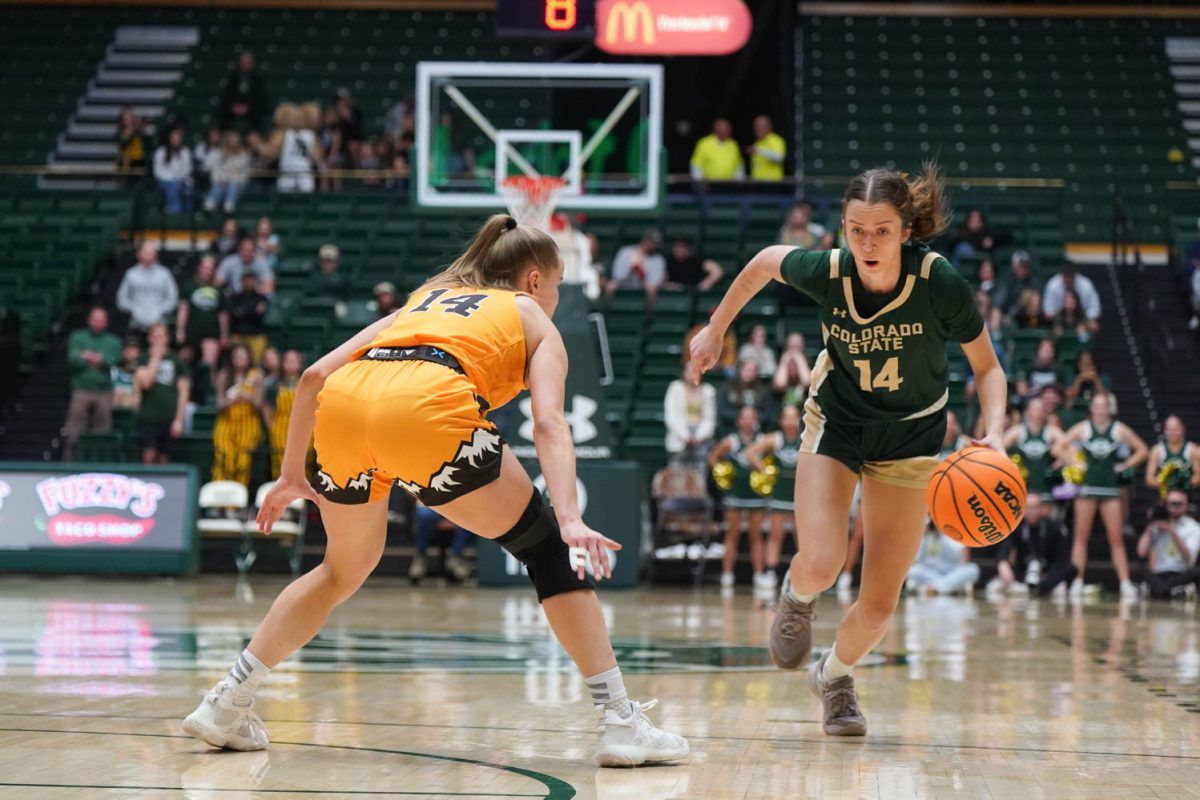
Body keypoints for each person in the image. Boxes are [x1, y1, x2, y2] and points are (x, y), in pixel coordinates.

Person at [183, 214, 688, 767]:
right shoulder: (531, 317)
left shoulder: (427, 298)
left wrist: (289, 476)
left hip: (347, 411)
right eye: (559, 283)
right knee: (546, 553)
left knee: (338, 571)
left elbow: (313, 378)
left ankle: (227, 701)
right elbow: (549, 425)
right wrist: (568, 519)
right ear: (535, 280)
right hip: (428, 410)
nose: (558, 295)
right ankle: (619, 721)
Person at [689, 163, 1007, 736]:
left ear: (906, 231)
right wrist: (716, 329)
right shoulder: (829, 271)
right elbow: (764, 261)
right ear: (842, 228)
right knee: (822, 562)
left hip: (911, 438)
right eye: (856, 229)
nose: (868, 243)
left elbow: (988, 369)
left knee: (881, 605)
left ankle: (833, 678)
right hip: (836, 423)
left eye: (882, 231)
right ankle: (797, 593)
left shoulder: (940, 283)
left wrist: (998, 433)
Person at [1054, 393, 1149, 601]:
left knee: (1116, 539)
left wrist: (1125, 465)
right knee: (1081, 538)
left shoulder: (1119, 429)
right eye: (1096, 406)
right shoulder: (1083, 428)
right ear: (1091, 409)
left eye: (1103, 406)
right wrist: (1075, 462)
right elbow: (1058, 447)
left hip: (1110, 490)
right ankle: (1077, 581)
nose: (1099, 410)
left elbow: (1142, 450)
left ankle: (1125, 583)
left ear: (1109, 408)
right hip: (1087, 489)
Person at [708, 405, 768, 589]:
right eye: (745, 417)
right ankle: (727, 575)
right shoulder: (731, 441)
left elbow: (772, 462)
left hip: (756, 494)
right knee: (732, 535)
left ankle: (759, 574)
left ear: (756, 420)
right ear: (739, 421)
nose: (748, 421)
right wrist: (722, 473)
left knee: (756, 536)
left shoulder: (763, 441)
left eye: (751, 417)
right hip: (735, 494)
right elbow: (712, 457)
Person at [745, 405, 803, 592]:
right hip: (779, 493)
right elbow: (750, 453)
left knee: (800, 537)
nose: (790, 421)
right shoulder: (775, 439)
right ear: (781, 420)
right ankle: (771, 572)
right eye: (787, 417)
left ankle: (801, 575)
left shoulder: (805, 439)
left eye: (794, 417)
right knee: (775, 534)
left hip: (799, 494)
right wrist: (763, 469)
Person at [62, 307, 122, 461]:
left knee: (102, 431)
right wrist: (97, 359)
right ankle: (68, 464)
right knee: (73, 431)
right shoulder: (78, 337)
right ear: (89, 320)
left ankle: (101, 464)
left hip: (104, 392)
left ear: (106, 322)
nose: (97, 323)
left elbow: (113, 361)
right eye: (95, 319)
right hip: (81, 390)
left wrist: (89, 357)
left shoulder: (113, 341)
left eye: (101, 320)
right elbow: (73, 359)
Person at [987, 494, 1074, 597]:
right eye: (1028, 508)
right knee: (993, 587)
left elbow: (1061, 559)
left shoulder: (1053, 528)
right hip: (1023, 573)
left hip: (1047, 575)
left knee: (1067, 576)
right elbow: (1005, 547)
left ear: (1041, 509)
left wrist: (1048, 576)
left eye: (1035, 508)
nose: (1032, 512)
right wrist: (1003, 564)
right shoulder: (1016, 527)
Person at [135, 324, 190, 464]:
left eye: (162, 336)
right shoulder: (142, 359)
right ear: (149, 338)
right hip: (147, 417)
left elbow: (184, 392)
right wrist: (156, 358)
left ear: (167, 338)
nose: (158, 339)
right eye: (155, 336)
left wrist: (179, 420)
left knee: (165, 458)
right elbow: (146, 383)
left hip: (169, 416)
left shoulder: (177, 361)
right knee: (149, 455)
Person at [212, 343, 265, 486]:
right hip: (227, 422)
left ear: (249, 357)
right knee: (223, 457)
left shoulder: (256, 376)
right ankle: (219, 500)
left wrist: (245, 396)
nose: (239, 359)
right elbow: (219, 404)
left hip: (248, 423)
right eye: (236, 356)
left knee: (243, 461)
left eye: (242, 355)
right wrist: (232, 400)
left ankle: (237, 503)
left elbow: (259, 404)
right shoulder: (224, 375)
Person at [1134, 489, 1200, 599]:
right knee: (1140, 570)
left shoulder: (1193, 528)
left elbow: (1189, 559)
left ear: (1187, 505)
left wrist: (1172, 532)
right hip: (1159, 574)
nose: (1174, 508)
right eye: (1170, 504)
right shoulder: (1156, 523)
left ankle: (1163, 591)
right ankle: (1171, 591)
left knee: (1197, 572)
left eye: (1178, 504)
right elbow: (1141, 553)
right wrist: (1150, 528)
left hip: (1180, 573)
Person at [1004, 397, 1063, 502]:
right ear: (1028, 411)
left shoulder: (1052, 431)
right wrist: (1009, 463)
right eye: (1035, 408)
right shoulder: (1017, 431)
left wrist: (1061, 460)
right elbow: (998, 450)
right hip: (1021, 489)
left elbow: (1071, 449)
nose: (1038, 412)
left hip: (1045, 488)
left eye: (1041, 409)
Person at [116, 242, 179, 336]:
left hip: (159, 326)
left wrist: (160, 311)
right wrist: (134, 310)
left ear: (156, 255)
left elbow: (173, 297)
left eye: (152, 253)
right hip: (136, 325)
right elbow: (121, 299)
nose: (149, 256)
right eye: (146, 252)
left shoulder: (164, 274)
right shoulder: (131, 274)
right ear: (139, 255)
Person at [263, 349, 305, 479]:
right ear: (282, 364)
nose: (291, 364)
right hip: (280, 426)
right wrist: (271, 426)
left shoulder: (306, 382)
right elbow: (266, 406)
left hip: (302, 426)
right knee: (280, 462)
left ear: (300, 363)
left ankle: (302, 496)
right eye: (288, 361)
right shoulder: (274, 384)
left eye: (294, 361)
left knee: (303, 461)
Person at [904, 525, 979, 596]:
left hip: (953, 572)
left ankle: (937, 588)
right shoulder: (925, 537)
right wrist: (923, 536)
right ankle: (944, 588)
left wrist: (942, 534)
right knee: (912, 571)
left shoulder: (954, 534)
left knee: (973, 569)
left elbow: (964, 561)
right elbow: (916, 561)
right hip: (931, 573)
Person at [408, 503, 473, 583]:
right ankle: (420, 555)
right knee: (424, 515)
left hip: (457, 508)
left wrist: (452, 520)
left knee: (469, 516)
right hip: (433, 508)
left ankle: (455, 556)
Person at [663, 359, 716, 457]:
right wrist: (685, 435)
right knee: (677, 471)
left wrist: (699, 436)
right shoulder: (675, 388)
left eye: (696, 371)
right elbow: (671, 417)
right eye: (691, 370)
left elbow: (710, 419)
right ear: (684, 372)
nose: (693, 374)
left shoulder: (708, 390)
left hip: (701, 440)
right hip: (679, 438)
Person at [176, 256, 229, 352]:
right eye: (204, 268)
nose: (207, 271)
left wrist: (224, 334)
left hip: (211, 333)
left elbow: (223, 314)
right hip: (191, 331)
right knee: (185, 359)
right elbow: (183, 310)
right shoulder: (189, 286)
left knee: (208, 364)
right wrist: (180, 330)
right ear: (199, 268)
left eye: (210, 269)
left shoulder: (219, 289)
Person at [606, 229, 665, 309]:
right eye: (652, 242)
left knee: (652, 291)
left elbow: (653, 283)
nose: (653, 246)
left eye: (656, 244)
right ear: (644, 240)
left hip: (643, 287)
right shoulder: (625, 252)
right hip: (625, 285)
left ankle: (649, 319)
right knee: (611, 285)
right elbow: (618, 276)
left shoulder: (658, 259)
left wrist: (638, 269)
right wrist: (631, 267)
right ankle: (607, 314)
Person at [1144, 414, 1200, 495]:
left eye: (1175, 429)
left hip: (1186, 494)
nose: (1172, 433)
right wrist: (1167, 484)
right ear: (1165, 431)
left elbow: (1198, 476)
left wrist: (1182, 483)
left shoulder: (1192, 449)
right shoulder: (1157, 450)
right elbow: (1149, 478)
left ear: (1183, 429)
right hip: (1164, 496)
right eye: (1169, 430)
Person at [718, 359, 775, 433]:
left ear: (756, 373)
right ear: (740, 370)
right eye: (747, 370)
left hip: (758, 429)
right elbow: (723, 410)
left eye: (752, 371)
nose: (749, 373)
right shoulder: (728, 388)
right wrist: (742, 416)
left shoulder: (763, 391)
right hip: (731, 428)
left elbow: (767, 413)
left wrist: (753, 418)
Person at [227, 272, 270, 365]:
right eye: (246, 279)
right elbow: (234, 315)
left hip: (256, 335)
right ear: (242, 281)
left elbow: (259, 315)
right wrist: (252, 311)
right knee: (235, 362)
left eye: (251, 279)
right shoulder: (235, 297)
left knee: (257, 364)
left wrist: (242, 311)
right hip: (238, 334)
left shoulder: (261, 298)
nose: (249, 282)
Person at [218, 51, 267, 132]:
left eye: (248, 63)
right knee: (222, 112)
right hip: (232, 110)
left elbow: (260, 98)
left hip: (252, 111)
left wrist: (247, 107)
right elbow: (226, 95)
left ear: (253, 64)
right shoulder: (232, 78)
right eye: (244, 63)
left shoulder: (258, 80)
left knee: (259, 114)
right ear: (240, 63)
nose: (246, 65)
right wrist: (234, 106)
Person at [204, 131, 251, 214]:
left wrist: (231, 179)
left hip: (238, 182)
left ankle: (229, 205)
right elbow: (214, 170)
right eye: (231, 140)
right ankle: (210, 204)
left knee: (232, 185)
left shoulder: (243, 155)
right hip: (222, 181)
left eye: (235, 141)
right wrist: (221, 179)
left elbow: (244, 174)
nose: (233, 143)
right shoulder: (219, 154)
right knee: (219, 185)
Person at [154, 126, 193, 214]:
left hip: (182, 181)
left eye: (178, 139)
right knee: (173, 186)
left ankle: (176, 212)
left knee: (182, 188)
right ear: (169, 139)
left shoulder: (185, 152)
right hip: (164, 182)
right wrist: (172, 179)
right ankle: (175, 212)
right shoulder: (160, 152)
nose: (176, 141)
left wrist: (177, 178)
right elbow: (157, 172)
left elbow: (187, 170)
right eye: (174, 138)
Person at [992, 250, 1038, 317]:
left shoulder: (1032, 281)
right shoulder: (1006, 281)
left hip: (1026, 316)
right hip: (1005, 316)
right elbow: (997, 304)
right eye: (1021, 266)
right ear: (1013, 266)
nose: (1024, 269)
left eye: (1026, 266)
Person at [772, 332, 811, 407]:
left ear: (802, 347)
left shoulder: (807, 363)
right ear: (786, 346)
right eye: (791, 346)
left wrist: (800, 361)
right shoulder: (782, 362)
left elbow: (807, 383)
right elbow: (780, 384)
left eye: (797, 346)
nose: (794, 350)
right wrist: (784, 362)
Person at [746, 115, 786, 181]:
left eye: (761, 126)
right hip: (757, 182)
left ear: (769, 127)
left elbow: (779, 158)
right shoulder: (757, 143)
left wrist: (759, 151)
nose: (757, 129)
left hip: (772, 182)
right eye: (756, 126)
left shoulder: (776, 140)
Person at [111, 337, 141, 411]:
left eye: (133, 349)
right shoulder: (114, 371)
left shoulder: (142, 373)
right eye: (126, 349)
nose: (129, 352)